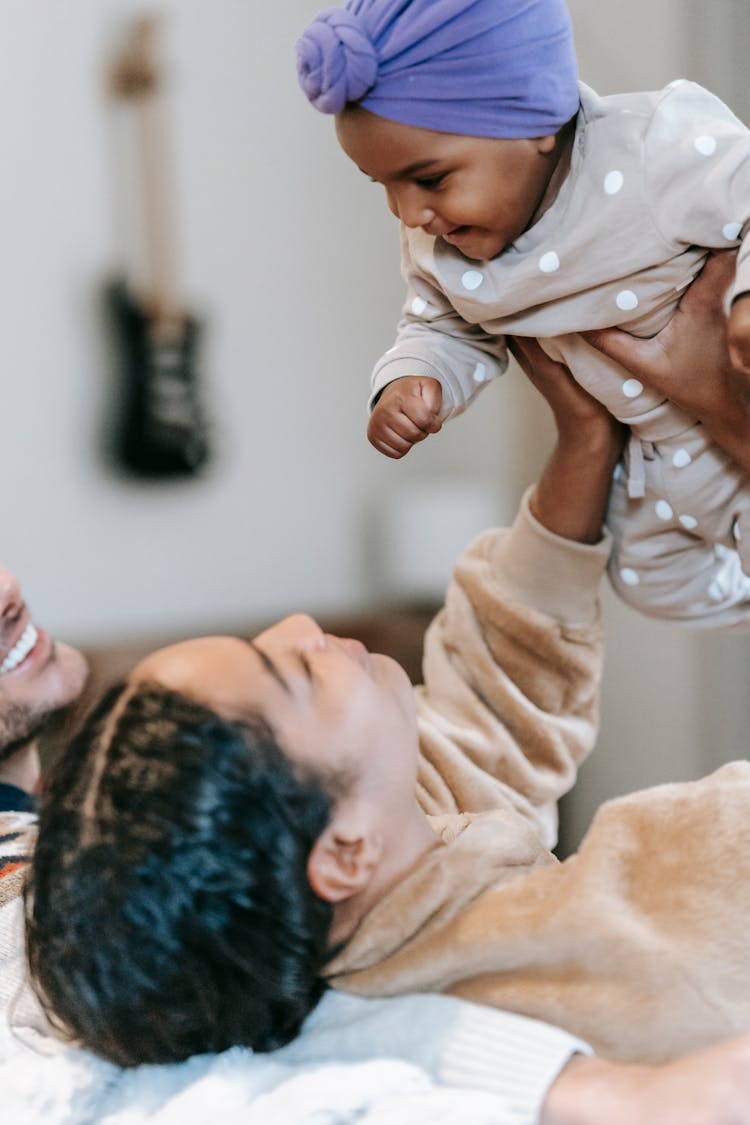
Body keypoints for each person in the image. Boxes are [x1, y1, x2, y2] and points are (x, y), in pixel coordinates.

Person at [24, 258, 750, 1088]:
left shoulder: (364, 897)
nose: (304, 627)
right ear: (340, 851)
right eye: (290, 671)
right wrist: (731, 421)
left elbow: (491, 716)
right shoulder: (642, 947)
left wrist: (584, 438)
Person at [296, 0, 750, 628]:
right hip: (650, 463)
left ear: (537, 120)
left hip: (737, 418)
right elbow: (438, 326)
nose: (407, 214)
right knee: (653, 587)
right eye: (384, 186)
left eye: (427, 179)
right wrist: (412, 380)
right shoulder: (441, 248)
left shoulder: (650, 145)